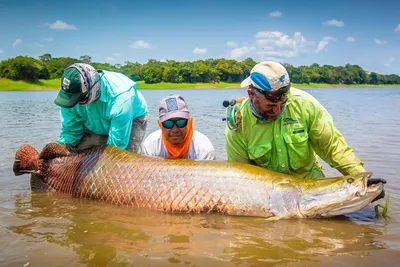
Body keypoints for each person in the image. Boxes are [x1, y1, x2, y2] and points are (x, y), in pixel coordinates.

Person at [225, 61, 366, 178]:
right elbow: (242, 174)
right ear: (251, 94)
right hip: (268, 191)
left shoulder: (305, 105)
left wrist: (360, 178)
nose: (277, 111)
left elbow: (333, 147)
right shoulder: (238, 124)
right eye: (270, 106)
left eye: (283, 104)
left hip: (309, 184)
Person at [54, 63, 148, 152]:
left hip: (131, 120)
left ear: (94, 88)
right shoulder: (68, 97)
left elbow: (117, 146)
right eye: (72, 100)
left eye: (80, 99)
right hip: (94, 119)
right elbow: (70, 132)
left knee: (123, 160)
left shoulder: (121, 97)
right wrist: (59, 153)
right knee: (78, 157)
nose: (76, 104)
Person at [140, 94, 216, 160]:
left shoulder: (204, 148)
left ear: (188, 122)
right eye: (168, 124)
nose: (175, 130)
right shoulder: (150, 145)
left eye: (181, 122)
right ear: (160, 124)